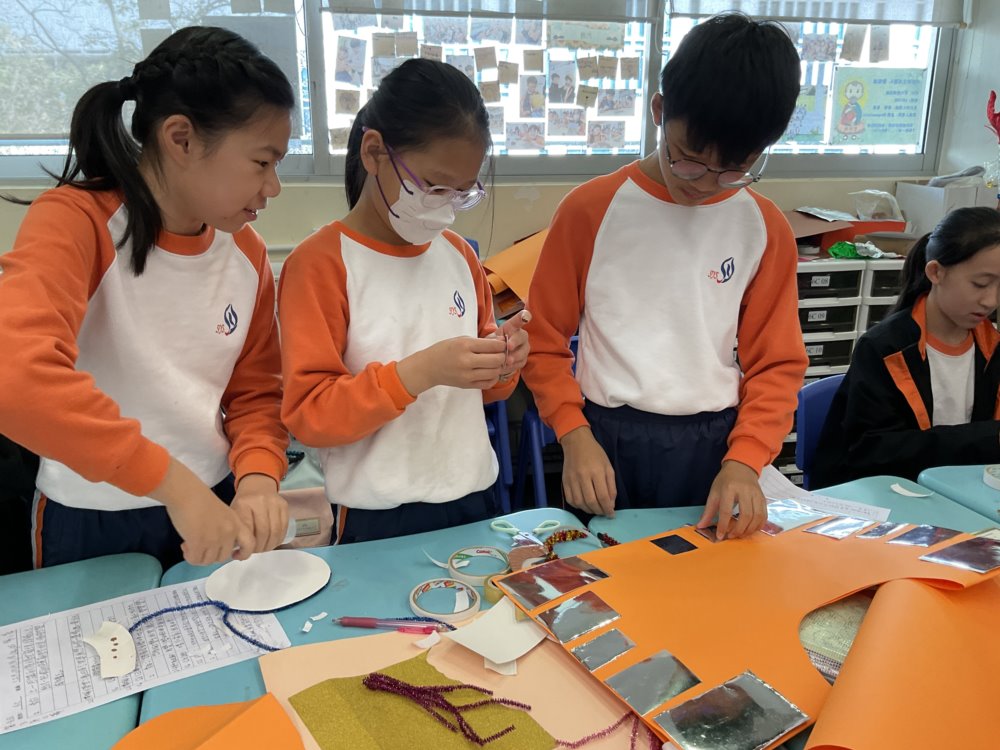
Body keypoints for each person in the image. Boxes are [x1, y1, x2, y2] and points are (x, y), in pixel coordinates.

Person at [0, 26, 294, 568]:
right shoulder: (77, 222)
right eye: (262, 162)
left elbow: (255, 393)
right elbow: (14, 380)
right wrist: (174, 485)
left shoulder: (246, 253)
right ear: (181, 139)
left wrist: (257, 478)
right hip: (93, 514)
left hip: (214, 499)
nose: (273, 186)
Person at [522, 13, 807, 540]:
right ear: (659, 111)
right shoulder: (590, 210)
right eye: (689, 160)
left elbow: (777, 364)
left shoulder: (764, 227)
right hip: (604, 439)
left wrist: (745, 460)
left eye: (734, 171)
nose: (706, 184)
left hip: (714, 448)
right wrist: (573, 434)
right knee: (602, 577)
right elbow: (541, 341)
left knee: (704, 580)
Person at [278, 59, 529, 545]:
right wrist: (418, 373)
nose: (445, 207)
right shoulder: (321, 264)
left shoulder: (458, 255)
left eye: (462, 193)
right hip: (377, 513)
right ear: (374, 152)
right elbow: (310, 416)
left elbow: (488, 391)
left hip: (472, 493)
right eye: (434, 187)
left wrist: (503, 362)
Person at [812, 207, 1000, 486]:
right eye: (980, 284)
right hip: (891, 492)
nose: (990, 301)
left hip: (963, 489)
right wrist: (986, 438)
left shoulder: (992, 346)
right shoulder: (884, 348)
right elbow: (873, 452)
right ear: (936, 272)